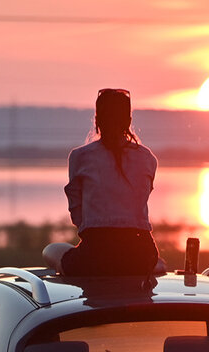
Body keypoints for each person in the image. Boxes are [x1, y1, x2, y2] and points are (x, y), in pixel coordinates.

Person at [43, 88, 160, 277]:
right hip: (142, 254)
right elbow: (140, 201)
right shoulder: (148, 158)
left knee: (52, 250)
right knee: (144, 262)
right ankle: (153, 265)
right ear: (129, 121)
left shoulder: (79, 157)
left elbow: (77, 215)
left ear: (97, 120)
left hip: (95, 257)